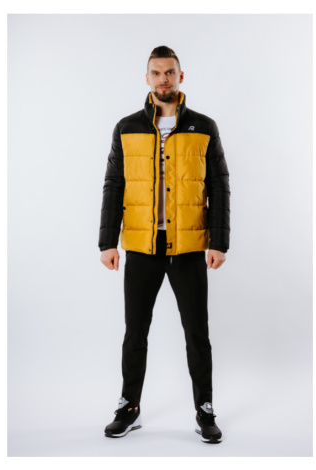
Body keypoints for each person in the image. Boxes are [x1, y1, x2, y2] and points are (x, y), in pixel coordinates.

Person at [98, 45, 230, 444]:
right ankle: (129, 407)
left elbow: (219, 185)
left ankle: (205, 408)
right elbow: (114, 184)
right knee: (134, 332)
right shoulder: (127, 128)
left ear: (180, 76)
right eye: (156, 73)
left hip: (188, 246)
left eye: (169, 72)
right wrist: (107, 241)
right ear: (147, 78)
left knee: (197, 333)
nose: (163, 79)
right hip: (142, 245)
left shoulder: (204, 127)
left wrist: (219, 242)